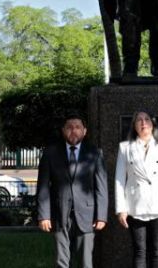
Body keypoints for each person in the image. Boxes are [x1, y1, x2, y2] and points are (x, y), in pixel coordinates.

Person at [37, 113, 108, 268]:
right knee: (61, 261)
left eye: (77, 127)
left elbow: (101, 187)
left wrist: (101, 216)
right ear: (63, 131)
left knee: (85, 262)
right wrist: (44, 215)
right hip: (59, 213)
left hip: (88, 215)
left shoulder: (94, 153)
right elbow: (43, 186)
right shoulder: (50, 153)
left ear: (84, 131)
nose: (73, 131)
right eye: (69, 127)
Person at [115, 110, 158, 268]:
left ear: (153, 124)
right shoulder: (125, 148)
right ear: (134, 125)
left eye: (146, 119)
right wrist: (121, 209)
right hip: (135, 205)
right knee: (139, 250)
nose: (143, 123)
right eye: (139, 120)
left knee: (157, 251)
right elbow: (119, 180)